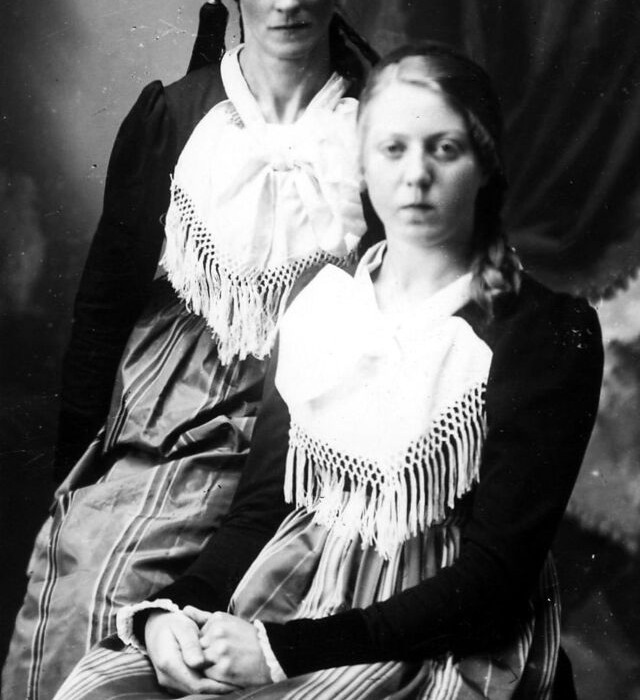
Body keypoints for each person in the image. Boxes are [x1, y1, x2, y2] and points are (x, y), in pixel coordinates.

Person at [52, 42, 603, 700]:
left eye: (445, 149)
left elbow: (493, 585)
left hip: (431, 639)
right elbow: (260, 510)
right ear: (361, 162)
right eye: (392, 148)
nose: (416, 175)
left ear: (486, 164)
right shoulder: (320, 302)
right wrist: (175, 610)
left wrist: (278, 654)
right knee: (98, 686)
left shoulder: (544, 331)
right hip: (288, 597)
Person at [2, 0, 380, 700]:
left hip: (329, 419)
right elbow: (103, 308)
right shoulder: (177, 116)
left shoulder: (382, 126)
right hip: (177, 425)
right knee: (95, 600)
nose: (287, 0)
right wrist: (78, 480)